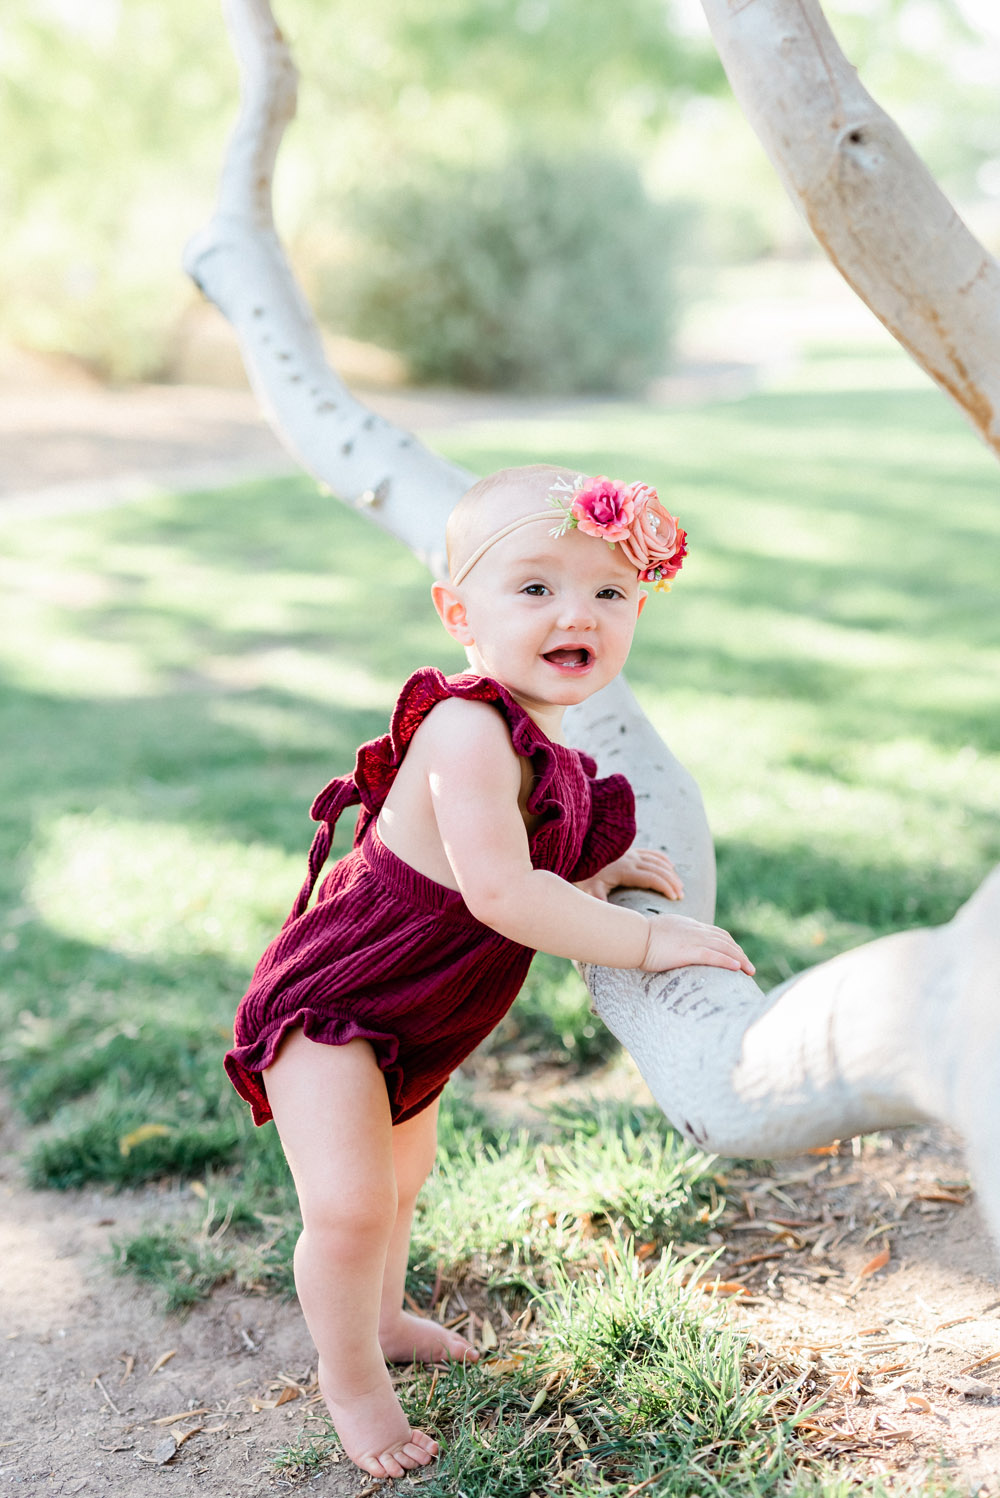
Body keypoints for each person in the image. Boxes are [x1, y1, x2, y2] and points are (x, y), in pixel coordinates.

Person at [224, 463, 754, 1479]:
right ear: (457, 612)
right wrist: (649, 938)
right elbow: (502, 895)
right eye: (536, 587)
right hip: (338, 1000)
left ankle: (380, 1318)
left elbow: (515, 862)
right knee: (346, 1205)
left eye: (609, 591)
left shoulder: (546, 742)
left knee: (402, 1179)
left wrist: (596, 876)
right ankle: (352, 1384)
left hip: (421, 1013)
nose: (577, 612)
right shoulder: (466, 727)